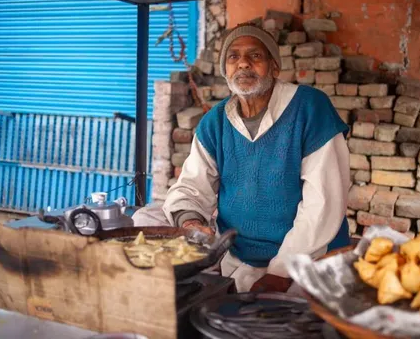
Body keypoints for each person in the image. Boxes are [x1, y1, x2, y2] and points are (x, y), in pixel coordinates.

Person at [133, 23, 351, 292]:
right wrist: (191, 222)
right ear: (226, 70)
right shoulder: (215, 122)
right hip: (239, 262)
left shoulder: (309, 108)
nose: (243, 63)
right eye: (233, 57)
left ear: (274, 67)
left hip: (311, 264)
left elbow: (323, 201)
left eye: (255, 56)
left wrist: (281, 272)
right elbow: (191, 186)